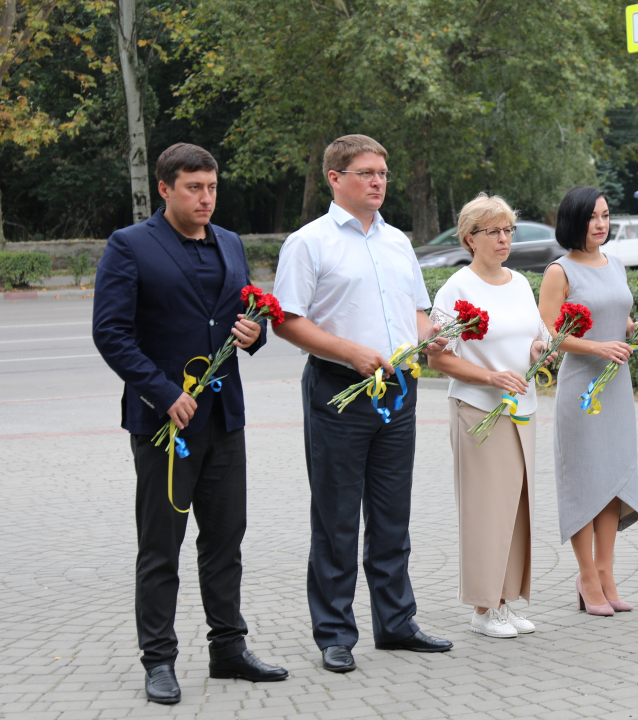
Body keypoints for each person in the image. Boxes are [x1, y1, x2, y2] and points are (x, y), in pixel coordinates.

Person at [92, 143, 288, 705]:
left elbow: (244, 315)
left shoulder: (229, 242)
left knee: (225, 540)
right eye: (193, 188)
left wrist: (254, 333)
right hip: (165, 425)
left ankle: (228, 649)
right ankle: (159, 660)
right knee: (161, 546)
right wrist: (162, 392)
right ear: (164, 189)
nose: (206, 198)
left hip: (225, 419)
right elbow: (112, 334)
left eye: (212, 188)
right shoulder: (129, 246)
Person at [272, 134, 452, 673]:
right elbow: (285, 320)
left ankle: (396, 623)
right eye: (366, 173)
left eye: (383, 174)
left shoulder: (397, 240)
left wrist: (430, 336)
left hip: (398, 390)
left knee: (393, 514)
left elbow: (417, 310)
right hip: (339, 389)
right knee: (336, 517)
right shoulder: (309, 242)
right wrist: (350, 351)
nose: (378, 182)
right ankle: (334, 633)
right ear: (335, 178)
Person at [426, 193, 554, 638]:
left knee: (518, 508)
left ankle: (507, 598)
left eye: (508, 230)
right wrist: (490, 377)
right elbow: (437, 358)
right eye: (493, 231)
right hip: (478, 409)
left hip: (523, 408)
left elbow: (537, 336)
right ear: (469, 239)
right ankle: (485, 608)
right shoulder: (455, 289)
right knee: (486, 510)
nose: (503, 239)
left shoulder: (519, 282)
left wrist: (540, 350)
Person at [538, 186, 638, 616]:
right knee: (585, 480)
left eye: (605, 216)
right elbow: (550, 336)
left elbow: (617, 316)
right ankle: (586, 576)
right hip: (582, 390)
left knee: (612, 482)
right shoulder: (559, 271)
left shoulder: (615, 263)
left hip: (617, 388)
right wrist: (600, 347)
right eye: (592, 217)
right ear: (574, 221)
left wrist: (632, 332)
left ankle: (606, 573)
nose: (601, 224)